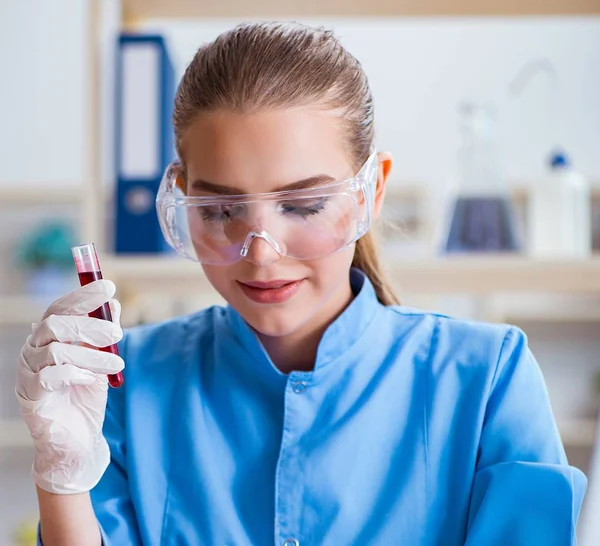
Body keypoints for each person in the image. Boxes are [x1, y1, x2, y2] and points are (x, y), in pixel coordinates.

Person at [16, 22, 586, 546]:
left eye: (305, 204)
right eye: (219, 211)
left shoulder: (486, 380)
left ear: (372, 192)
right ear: (183, 197)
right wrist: (62, 480)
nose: (261, 253)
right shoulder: (123, 382)